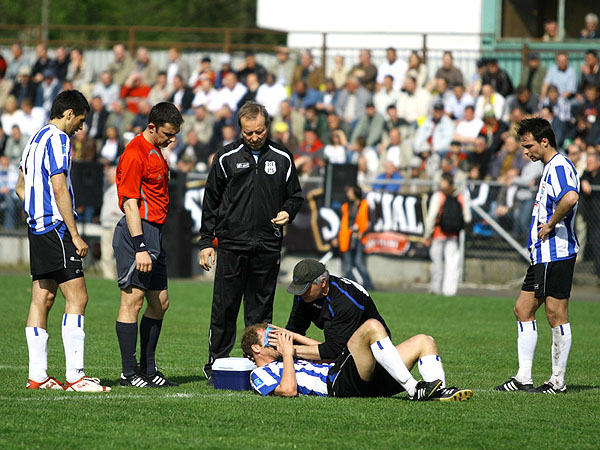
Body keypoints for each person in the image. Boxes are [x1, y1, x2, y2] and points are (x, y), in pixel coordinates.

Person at [198, 101, 303, 383]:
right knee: (224, 308)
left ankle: (259, 364)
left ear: (267, 127)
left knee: (260, 313)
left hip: (267, 247)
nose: (254, 137)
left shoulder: (283, 157)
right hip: (232, 245)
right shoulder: (225, 158)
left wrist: (287, 211)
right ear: (239, 130)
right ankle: (216, 364)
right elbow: (211, 202)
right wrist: (207, 241)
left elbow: (295, 196)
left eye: (259, 131)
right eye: (248, 133)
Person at [14, 90, 110, 391]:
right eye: (80, 121)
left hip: (37, 227)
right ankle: (76, 376)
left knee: (42, 298)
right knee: (78, 298)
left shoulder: (33, 139)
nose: (80, 128)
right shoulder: (58, 139)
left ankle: (38, 376)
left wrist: (35, 213)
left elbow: (20, 187)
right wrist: (75, 233)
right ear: (68, 113)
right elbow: (59, 188)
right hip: (57, 227)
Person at [495, 118, 579, 394]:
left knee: (557, 314)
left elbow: (570, 197)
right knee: (523, 309)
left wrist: (552, 223)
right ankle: (523, 378)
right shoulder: (548, 168)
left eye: (528, 145)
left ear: (545, 142)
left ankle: (557, 381)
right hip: (542, 255)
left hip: (557, 252)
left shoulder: (559, 166)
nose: (525, 151)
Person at [113, 102, 184, 388]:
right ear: (152, 126)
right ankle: (129, 373)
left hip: (154, 232)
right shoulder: (134, 153)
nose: (172, 140)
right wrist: (140, 245)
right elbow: (130, 202)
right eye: (168, 133)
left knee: (160, 302)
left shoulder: (156, 150)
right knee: (132, 300)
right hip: (137, 234)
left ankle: (148, 368)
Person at [242, 321, 473, 401]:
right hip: (337, 382)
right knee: (371, 327)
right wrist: (288, 354)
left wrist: (294, 339)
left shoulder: (287, 354)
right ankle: (414, 389)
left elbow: (329, 353)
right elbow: (288, 390)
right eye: (270, 334)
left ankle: (437, 392)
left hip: (351, 374)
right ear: (256, 348)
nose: (277, 337)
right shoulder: (259, 375)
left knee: (424, 341)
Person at [424, 173, 471, 296]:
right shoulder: (460, 196)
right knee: (452, 263)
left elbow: (431, 217)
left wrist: (427, 234)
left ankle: (436, 288)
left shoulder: (438, 196)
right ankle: (449, 291)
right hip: (453, 234)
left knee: (437, 263)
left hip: (439, 233)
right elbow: (467, 217)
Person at [332, 185, 375, 290]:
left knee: (358, 262)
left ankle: (368, 285)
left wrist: (363, 233)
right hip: (346, 238)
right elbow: (342, 224)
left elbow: (372, 222)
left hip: (358, 238)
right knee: (347, 266)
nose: (348, 194)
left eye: (350, 191)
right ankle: (355, 286)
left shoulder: (365, 205)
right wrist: (336, 237)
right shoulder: (346, 206)